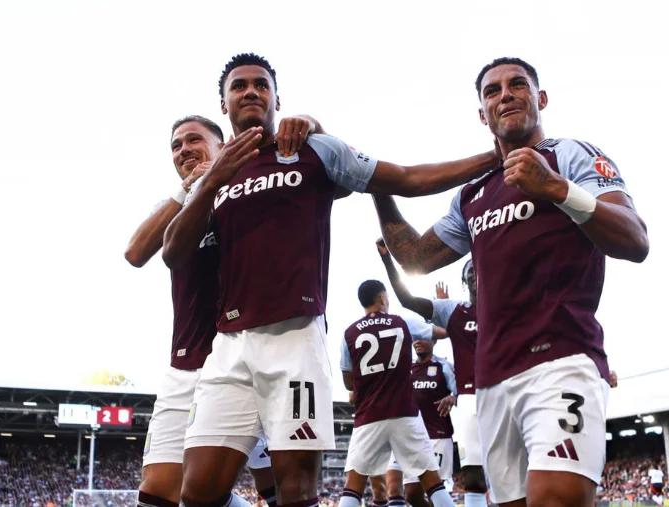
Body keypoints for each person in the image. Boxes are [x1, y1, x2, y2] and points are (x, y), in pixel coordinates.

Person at [161, 53, 499, 507]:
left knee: (296, 492)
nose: (251, 92)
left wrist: (492, 156)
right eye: (239, 86)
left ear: (277, 97)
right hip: (228, 346)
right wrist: (212, 179)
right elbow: (173, 252)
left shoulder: (313, 150)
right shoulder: (216, 172)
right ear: (224, 105)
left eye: (261, 84)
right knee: (197, 492)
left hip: (295, 338)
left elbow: (406, 177)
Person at [373, 56, 649, 507]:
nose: (505, 94)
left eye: (517, 84)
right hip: (492, 381)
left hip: (562, 360)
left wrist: (558, 189)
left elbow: (635, 240)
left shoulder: (572, 155)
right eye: (492, 91)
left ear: (540, 99)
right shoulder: (473, 194)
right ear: (483, 114)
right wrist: (379, 187)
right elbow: (414, 260)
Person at [124, 115, 278, 507]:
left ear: (222, 143)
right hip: (187, 362)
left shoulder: (250, 189)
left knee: (277, 488)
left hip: (249, 359)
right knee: (160, 493)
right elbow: (136, 252)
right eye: (176, 146)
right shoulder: (176, 204)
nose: (184, 150)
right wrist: (190, 188)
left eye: (194, 140)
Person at [375, 241, 486, 507]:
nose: (473, 274)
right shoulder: (453, 310)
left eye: (478, 269)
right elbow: (407, 300)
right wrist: (388, 259)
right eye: (468, 271)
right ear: (463, 281)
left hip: (506, 390)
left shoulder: (504, 307)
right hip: (471, 399)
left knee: (514, 468)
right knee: (474, 476)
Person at [338, 280, 457, 507]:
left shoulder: (349, 333)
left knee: (353, 487)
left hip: (369, 416)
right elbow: (440, 333)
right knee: (433, 484)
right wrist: (443, 310)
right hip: (405, 413)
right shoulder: (401, 322)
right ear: (383, 298)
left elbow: (348, 383)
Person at [387, 336, 457, 507]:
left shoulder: (444, 366)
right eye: (415, 339)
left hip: (436, 436)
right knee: (403, 492)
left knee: (426, 493)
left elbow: (461, 391)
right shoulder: (406, 367)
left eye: (424, 338)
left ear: (434, 341)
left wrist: (452, 397)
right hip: (407, 436)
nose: (418, 342)